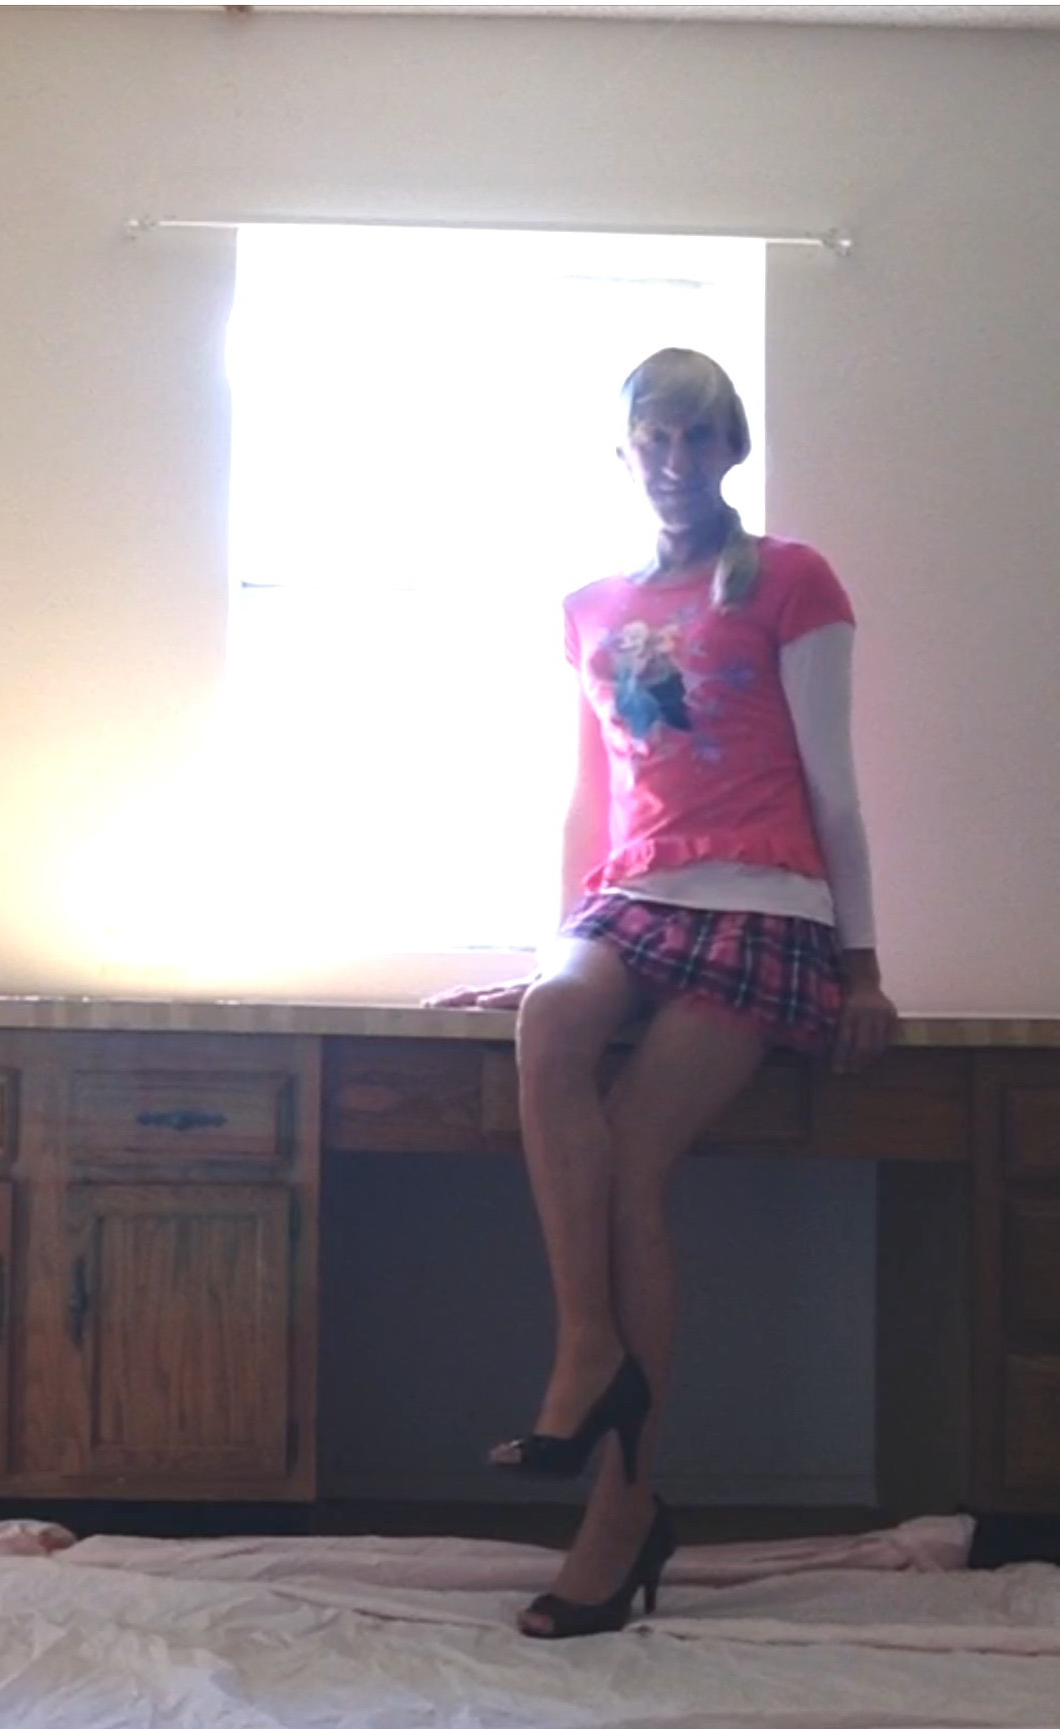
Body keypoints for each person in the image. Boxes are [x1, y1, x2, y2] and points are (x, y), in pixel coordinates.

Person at [428, 347, 898, 1640]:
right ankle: (587, 1349)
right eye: (655, 437)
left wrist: (861, 963)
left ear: (733, 449)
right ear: (626, 450)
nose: (677, 460)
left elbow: (835, 783)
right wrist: (553, 947)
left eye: (700, 437)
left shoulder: (790, 579)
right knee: (551, 1016)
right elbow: (588, 798)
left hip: (764, 902)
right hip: (628, 903)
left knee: (635, 1162)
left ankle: (621, 1513)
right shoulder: (588, 605)